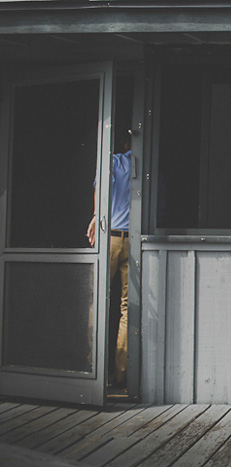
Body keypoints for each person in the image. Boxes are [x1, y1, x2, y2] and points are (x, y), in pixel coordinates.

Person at [86, 136, 131, 389]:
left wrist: (96, 215)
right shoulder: (147, 167)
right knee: (128, 309)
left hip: (111, 236)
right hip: (134, 240)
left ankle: (93, 369)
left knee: (98, 301)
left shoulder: (112, 161)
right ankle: (121, 375)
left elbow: (100, 188)